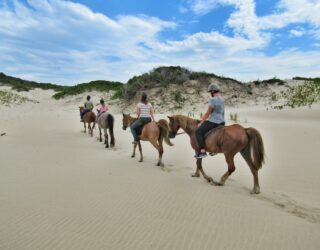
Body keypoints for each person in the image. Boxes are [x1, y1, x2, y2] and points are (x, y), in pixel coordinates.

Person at [194, 83, 225, 159]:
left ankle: (202, 151)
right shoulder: (222, 99)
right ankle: (214, 150)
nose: (210, 93)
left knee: (198, 132)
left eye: (210, 92)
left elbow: (208, 113)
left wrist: (201, 123)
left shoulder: (213, 99)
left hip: (214, 121)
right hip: (222, 122)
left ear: (213, 91)